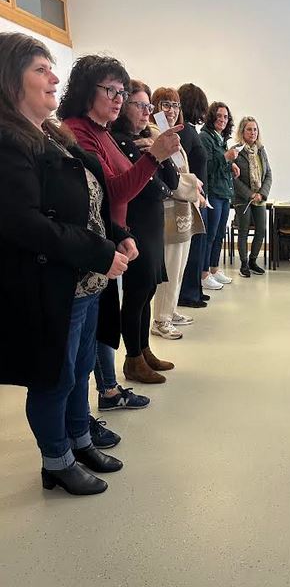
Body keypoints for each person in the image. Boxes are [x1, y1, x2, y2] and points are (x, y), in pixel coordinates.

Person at [0, 32, 127, 495]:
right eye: (41, 70)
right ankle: (56, 460)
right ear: (10, 79)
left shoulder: (50, 133)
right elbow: (26, 224)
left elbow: (89, 199)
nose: (54, 78)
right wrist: (99, 251)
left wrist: (118, 234)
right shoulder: (8, 141)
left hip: (83, 281)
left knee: (78, 368)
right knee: (54, 377)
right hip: (51, 282)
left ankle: (79, 439)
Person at [59, 55, 182, 408]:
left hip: (112, 236)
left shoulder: (102, 132)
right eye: (111, 91)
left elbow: (133, 188)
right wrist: (154, 157)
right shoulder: (78, 132)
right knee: (82, 347)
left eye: (121, 91)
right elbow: (113, 191)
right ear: (87, 90)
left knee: (100, 326)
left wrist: (120, 231)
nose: (118, 98)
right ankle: (95, 404)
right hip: (93, 244)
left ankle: (107, 392)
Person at [111, 80, 180, 379]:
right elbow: (157, 189)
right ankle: (133, 358)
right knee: (137, 293)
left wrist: (156, 149)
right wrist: (155, 156)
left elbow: (172, 181)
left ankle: (144, 349)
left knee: (149, 289)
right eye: (139, 105)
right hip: (136, 225)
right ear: (124, 106)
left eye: (148, 106)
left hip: (152, 225)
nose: (146, 112)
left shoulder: (143, 140)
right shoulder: (120, 141)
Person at [150, 87, 205, 339]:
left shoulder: (172, 135)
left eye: (175, 105)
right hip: (168, 208)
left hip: (183, 206)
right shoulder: (154, 134)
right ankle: (160, 320)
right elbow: (169, 177)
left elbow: (181, 172)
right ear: (155, 107)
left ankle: (170, 311)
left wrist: (192, 187)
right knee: (170, 266)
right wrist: (194, 187)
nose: (171, 110)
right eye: (165, 104)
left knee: (180, 265)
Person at [178, 83, 210, 308]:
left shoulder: (189, 131)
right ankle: (188, 294)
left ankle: (195, 290)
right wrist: (196, 193)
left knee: (199, 247)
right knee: (193, 249)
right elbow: (183, 167)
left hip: (198, 196)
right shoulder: (186, 132)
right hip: (192, 197)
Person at [200, 102, 239, 290]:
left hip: (224, 192)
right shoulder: (205, 137)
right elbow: (206, 166)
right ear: (211, 117)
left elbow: (221, 163)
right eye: (219, 116)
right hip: (213, 192)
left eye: (225, 116)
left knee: (219, 234)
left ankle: (214, 269)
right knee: (210, 234)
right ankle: (204, 273)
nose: (222, 120)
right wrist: (226, 158)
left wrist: (231, 165)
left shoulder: (221, 138)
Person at [233, 116, 272, 278]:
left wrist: (262, 194)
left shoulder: (261, 150)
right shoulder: (236, 151)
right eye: (249, 129)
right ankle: (243, 264)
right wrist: (250, 194)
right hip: (243, 199)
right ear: (242, 131)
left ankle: (253, 261)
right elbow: (233, 179)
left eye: (255, 129)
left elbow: (268, 174)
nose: (253, 132)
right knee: (243, 231)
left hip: (260, 198)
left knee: (261, 230)